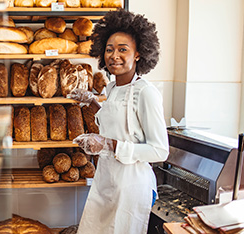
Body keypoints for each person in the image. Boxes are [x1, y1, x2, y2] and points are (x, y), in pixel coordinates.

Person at [68, 9, 169, 234]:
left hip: (131, 186)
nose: (114, 55)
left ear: (139, 54)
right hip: (106, 179)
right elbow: (122, 123)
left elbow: (160, 150)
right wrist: (93, 101)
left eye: (123, 50)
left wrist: (107, 144)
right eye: (109, 49)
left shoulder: (145, 93)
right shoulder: (113, 87)